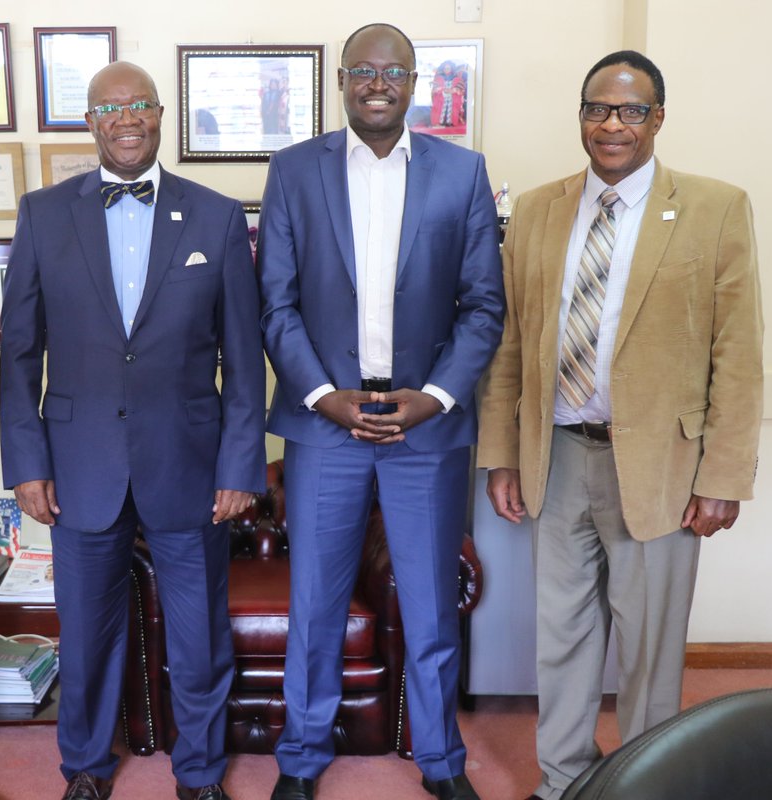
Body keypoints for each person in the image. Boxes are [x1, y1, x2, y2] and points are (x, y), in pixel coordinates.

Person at [477, 51, 763, 800]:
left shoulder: (715, 207)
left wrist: (723, 477)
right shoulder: (539, 209)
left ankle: (644, 783)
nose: (612, 125)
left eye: (631, 111)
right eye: (598, 109)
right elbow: (510, 342)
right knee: (562, 640)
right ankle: (562, 779)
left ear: (658, 119)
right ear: (580, 117)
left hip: (662, 469)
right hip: (558, 456)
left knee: (649, 648)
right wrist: (502, 455)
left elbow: (738, 353)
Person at [0, 61, 266, 800]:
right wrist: (26, 461)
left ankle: (201, 773)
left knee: (200, 636)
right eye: (110, 108)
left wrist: (241, 467)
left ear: (159, 116)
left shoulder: (214, 215)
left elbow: (243, 359)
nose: (126, 119)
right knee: (85, 638)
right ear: (89, 122)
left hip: (188, 461)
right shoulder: (44, 214)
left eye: (140, 105)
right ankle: (85, 766)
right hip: (79, 465)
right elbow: (19, 350)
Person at [257, 23, 504, 800]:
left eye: (392, 70)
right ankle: (300, 758)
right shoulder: (294, 171)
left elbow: (483, 308)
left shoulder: (462, 174)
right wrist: (323, 396)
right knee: (315, 605)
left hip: (424, 427)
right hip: (325, 424)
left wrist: (431, 399)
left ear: (414, 81)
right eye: (363, 69)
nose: (377, 82)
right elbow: (277, 305)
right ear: (341, 79)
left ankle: (440, 761)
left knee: (431, 609)